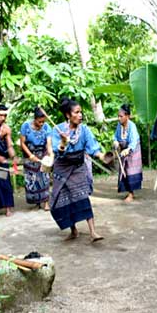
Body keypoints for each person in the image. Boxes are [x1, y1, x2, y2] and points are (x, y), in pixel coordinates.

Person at [50, 97, 107, 242]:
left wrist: (102, 156)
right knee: (64, 200)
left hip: (78, 167)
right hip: (62, 168)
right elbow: (58, 151)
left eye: (81, 112)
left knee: (82, 197)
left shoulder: (85, 130)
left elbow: (92, 146)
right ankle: (73, 230)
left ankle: (93, 232)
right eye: (77, 112)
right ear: (68, 115)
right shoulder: (57, 130)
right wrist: (63, 142)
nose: (80, 115)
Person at [20, 106, 53, 210]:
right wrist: (30, 155)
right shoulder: (25, 126)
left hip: (42, 154)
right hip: (29, 155)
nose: (41, 124)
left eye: (43, 122)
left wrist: (50, 155)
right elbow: (22, 143)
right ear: (35, 119)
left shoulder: (47, 127)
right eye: (39, 122)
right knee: (33, 180)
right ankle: (37, 202)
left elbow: (48, 144)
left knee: (45, 178)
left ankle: (46, 202)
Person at [113, 103, 143, 202]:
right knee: (124, 170)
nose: (119, 118)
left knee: (131, 170)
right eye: (118, 116)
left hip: (133, 150)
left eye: (121, 116)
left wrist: (128, 149)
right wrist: (115, 141)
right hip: (124, 150)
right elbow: (115, 136)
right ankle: (128, 191)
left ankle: (131, 194)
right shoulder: (119, 125)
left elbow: (133, 141)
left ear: (127, 116)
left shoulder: (132, 126)